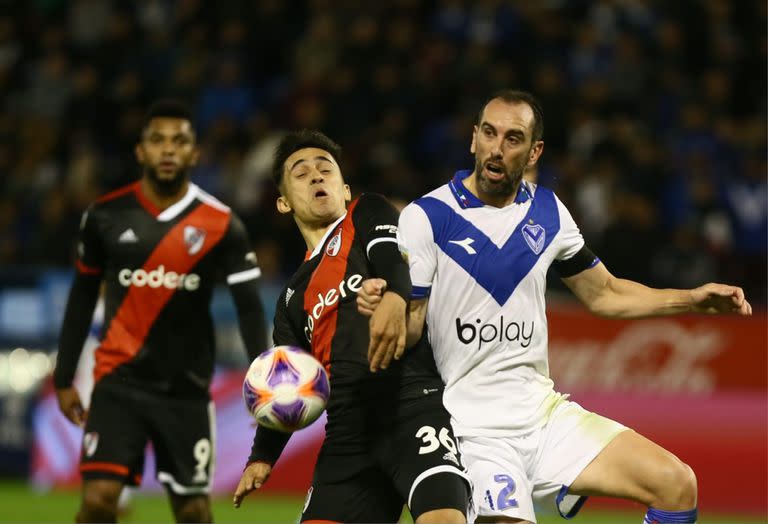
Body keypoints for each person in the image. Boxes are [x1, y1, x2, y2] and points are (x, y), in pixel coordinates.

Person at [356, 90, 752, 524]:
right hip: (475, 429)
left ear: (533, 151)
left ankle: (553, 488)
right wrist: (388, 305)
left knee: (677, 484)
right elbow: (412, 327)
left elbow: (604, 293)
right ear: (473, 139)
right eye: (489, 133)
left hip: (544, 416)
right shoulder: (427, 216)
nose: (497, 148)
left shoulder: (548, 211)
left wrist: (691, 299)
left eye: (512, 138)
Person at [232, 129, 471, 523]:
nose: (316, 175)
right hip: (347, 432)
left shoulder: (367, 213)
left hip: (413, 406)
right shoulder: (292, 297)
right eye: (301, 172)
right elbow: (284, 382)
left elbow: (391, 256)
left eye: (325, 168)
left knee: (443, 520)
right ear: (282, 202)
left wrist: (395, 294)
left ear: (344, 189)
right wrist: (262, 456)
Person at [53, 99, 268, 523]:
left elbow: (248, 308)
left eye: (179, 141)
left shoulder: (221, 223)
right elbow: (81, 299)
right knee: (98, 500)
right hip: (118, 383)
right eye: (157, 140)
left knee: (191, 511)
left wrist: (262, 378)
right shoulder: (105, 216)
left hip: (185, 390)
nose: (168, 149)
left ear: (194, 153)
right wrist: (63, 377)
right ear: (141, 151)